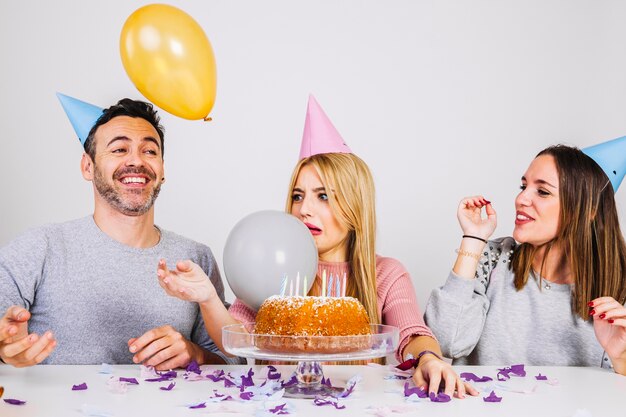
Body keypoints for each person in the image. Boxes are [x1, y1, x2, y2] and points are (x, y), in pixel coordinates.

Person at [158, 95, 478, 398]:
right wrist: (208, 298)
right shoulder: (273, 271)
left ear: (354, 206)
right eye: (298, 195)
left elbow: (411, 331)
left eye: (323, 196)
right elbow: (237, 338)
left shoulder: (386, 273)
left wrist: (428, 359)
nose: (304, 209)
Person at [0, 95, 238, 369]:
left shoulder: (195, 258)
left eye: (150, 151)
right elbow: (4, 329)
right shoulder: (41, 247)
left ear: (162, 170)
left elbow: (233, 361)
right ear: (88, 167)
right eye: (119, 149)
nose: (136, 161)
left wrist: (194, 354)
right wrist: (5, 349)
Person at [424, 143, 626, 375]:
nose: (521, 198)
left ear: (588, 209)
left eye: (542, 191)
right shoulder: (493, 259)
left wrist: (620, 357)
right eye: (523, 186)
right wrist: (472, 239)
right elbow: (445, 342)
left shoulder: (619, 289)